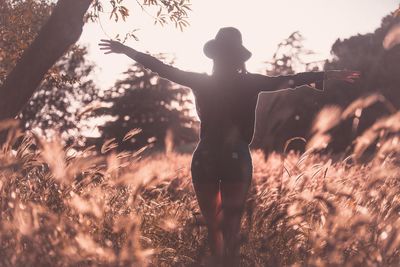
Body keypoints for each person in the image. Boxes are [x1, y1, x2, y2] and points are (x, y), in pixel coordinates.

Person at [99, 27, 360, 266]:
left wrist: (126, 50)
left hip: (206, 155)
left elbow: (162, 68)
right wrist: (327, 74)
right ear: (240, 57)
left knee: (213, 226)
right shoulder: (251, 82)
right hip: (236, 157)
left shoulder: (201, 81)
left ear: (214, 56)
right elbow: (290, 79)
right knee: (231, 227)